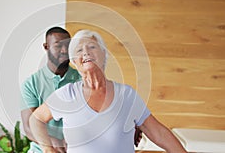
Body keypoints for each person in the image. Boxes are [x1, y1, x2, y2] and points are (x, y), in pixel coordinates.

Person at [29, 29, 187, 153]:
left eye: (92, 47)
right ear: (75, 62)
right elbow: (36, 119)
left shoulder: (126, 95)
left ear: (104, 55)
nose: (86, 52)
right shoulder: (67, 94)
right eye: (79, 50)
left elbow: (157, 132)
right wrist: (47, 148)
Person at [20, 27, 81, 153]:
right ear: (46, 46)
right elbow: (28, 127)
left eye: (67, 45)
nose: (64, 50)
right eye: (58, 46)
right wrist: (54, 143)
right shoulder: (31, 84)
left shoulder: (83, 80)